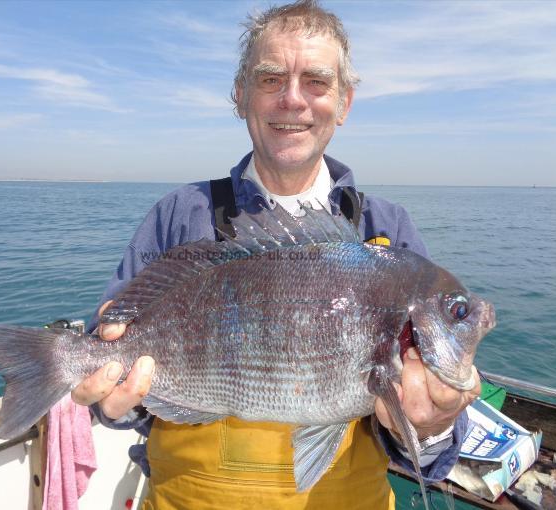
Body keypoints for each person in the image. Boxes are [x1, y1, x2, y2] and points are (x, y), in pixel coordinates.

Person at [72, 1, 480, 508]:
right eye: (270, 80)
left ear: (344, 102)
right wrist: (109, 393)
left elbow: (433, 459)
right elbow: (114, 397)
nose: (293, 100)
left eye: (316, 81)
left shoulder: (388, 231)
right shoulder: (179, 215)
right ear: (241, 96)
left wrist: (433, 423)